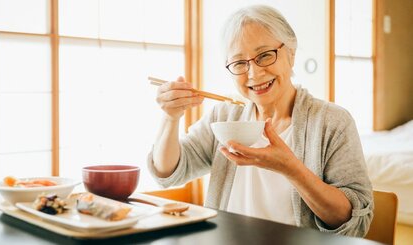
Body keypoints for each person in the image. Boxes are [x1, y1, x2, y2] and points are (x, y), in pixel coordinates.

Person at [147, 5, 373, 237]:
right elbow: (169, 172)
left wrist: (291, 169)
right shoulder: (225, 118)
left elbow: (355, 222)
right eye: (239, 63)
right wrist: (170, 117)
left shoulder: (332, 122)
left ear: (291, 53)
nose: (254, 74)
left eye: (265, 55)